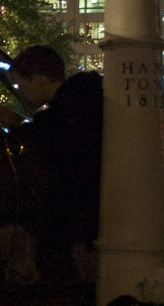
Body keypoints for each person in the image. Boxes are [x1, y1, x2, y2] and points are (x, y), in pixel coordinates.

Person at [10, 45, 104, 283]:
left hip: (84, 220)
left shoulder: (61, 119)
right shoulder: (88, 101)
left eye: (20, 85)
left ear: (40, 80)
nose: (19, 93)